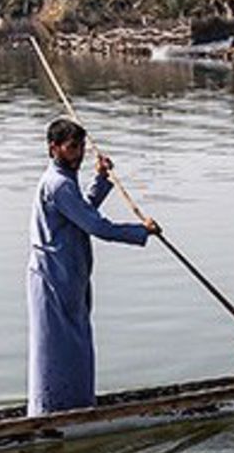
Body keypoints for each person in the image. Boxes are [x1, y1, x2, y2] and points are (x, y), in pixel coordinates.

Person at [27, 117, 158, 416]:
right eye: (73, 147)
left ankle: (74, 406)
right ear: (54, 149)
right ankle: (52, 412)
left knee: (76, 347)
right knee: (56, 349)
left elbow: (81, 211)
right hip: (54, 278)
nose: (80, 153)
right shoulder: (58, 184)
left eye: (82, 147)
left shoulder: (65, 180)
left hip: (70, 276)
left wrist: (101, 180)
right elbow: (95, 226)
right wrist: (141, 230)